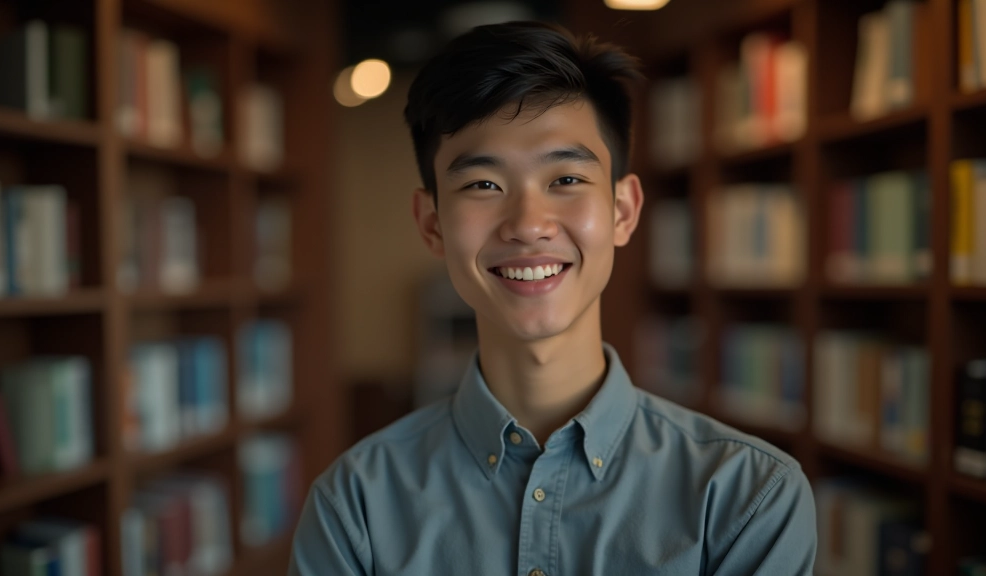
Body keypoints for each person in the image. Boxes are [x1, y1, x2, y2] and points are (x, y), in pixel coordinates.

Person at [289, 20, 816, 575]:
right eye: (483, 185)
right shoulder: (355, 507)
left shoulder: (747, 499)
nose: (528, 225)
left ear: (623, 211)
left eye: (566, 180)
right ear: (432, 223)